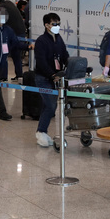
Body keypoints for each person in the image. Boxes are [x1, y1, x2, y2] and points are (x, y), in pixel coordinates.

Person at [34, 13, 69, 147]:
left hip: (55, 77)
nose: (57, 26)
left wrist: (70, 65)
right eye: (54, 24)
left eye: (58, 23)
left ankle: (42, 132)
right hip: (43, 78)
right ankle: (41, 131)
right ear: (47, 25)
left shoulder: (58, 39)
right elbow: (41, 62)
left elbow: (64, 55)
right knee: (50, 105)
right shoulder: (41, 41)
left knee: (47, 105)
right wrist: (51, 75)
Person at [0, 0, 27, 81]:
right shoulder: (9, 3)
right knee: (16, 55)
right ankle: (19, 76)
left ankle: (3, 77)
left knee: (3, 54)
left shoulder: (0, 7)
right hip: (21, 33)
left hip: (10, 36)